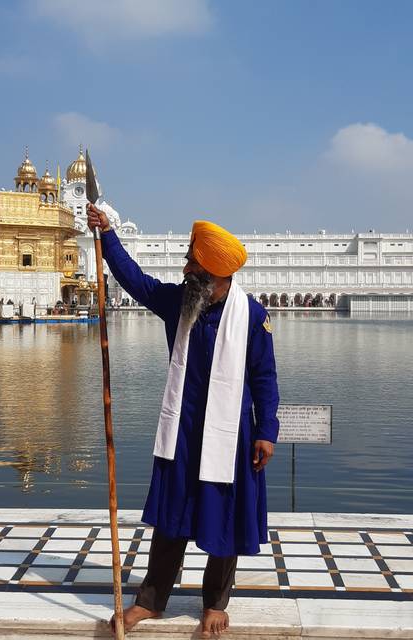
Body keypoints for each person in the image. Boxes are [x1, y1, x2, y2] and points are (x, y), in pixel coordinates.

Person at [87, 205, 280, 637]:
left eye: (192, 262)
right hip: (184, 430)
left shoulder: (250, 315)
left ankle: (215, 603)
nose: (185, 267)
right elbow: (135, 281)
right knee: (173, 517)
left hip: (230, 435)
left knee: (224, 516)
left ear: (213, 273)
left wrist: (267, 430)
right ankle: (151, 601)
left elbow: (264, 377)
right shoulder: (180, 302)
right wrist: (108, 235)